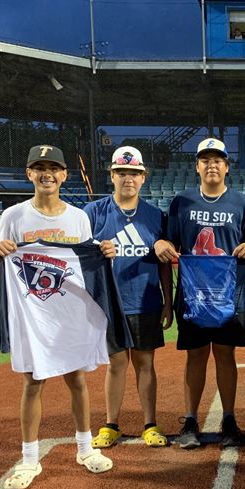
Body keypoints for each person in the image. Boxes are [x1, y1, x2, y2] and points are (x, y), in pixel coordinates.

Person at [0, 144, 116, 489]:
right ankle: (29, 459)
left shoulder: (78, 218)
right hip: (33, 314)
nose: (47, 174)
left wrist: (105, 252)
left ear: (63, 175)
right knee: (33, 382)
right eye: (39, 168)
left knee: (77, 380)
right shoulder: (14, 216)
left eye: (53, 168)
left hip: (69, 313)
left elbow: (87, 263)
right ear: (29, 174)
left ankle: (85, 449)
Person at [154, 138, 245, 448]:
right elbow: (170, 243)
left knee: (226, 355)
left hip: (229, 296)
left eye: (217, 160)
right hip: (194, 296)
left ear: (227, 167)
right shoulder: (181, 202)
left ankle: (229, 419)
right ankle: (190, 420)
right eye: (205, 160)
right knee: (196, 355)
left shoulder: (241, 203)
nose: (211, 165)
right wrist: (161, 244)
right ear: (197, 166)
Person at [84, 146, 173, 449]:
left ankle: (150, 423)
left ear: (143, 177)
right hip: (110, 303)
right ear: (112, 175)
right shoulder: (94, 212)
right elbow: (80, 256)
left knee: (145, 363)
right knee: (116, 363)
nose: (128, 178)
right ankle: (111, 424)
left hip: (146, 301)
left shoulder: (155, 216)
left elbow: (165, 264)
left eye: (134, 173)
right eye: (121, 173)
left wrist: (168, 301)